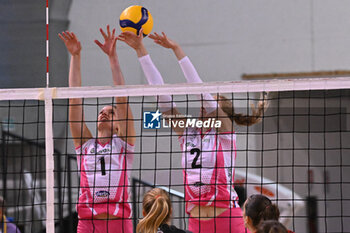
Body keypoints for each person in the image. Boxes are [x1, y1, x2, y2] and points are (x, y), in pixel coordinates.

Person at [118, 29, 268, 233]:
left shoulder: (224, 133)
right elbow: (161, 97)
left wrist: (177, 50)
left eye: (212, 102)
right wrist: (140, 50)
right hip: (196, 222)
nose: (203, 106)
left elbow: (200, 91)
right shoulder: (188, 133)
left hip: (226, 219)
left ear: (221, 112)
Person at [59, 25, 136, 233]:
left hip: (119, 223)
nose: (103, 113)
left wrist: (112, 56)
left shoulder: (123, 145)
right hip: (88, 224)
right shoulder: (85, 145)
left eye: (111, 113)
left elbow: (122, 98)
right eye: (101, 112)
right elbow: (74, 101)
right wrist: (75, 56)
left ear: (119, 125)